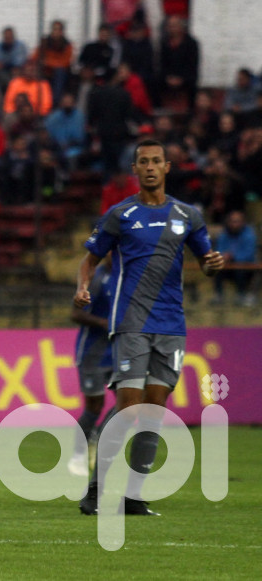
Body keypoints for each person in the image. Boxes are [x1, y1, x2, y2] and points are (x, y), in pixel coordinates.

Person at [75, 139, 224, 516]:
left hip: (171, 325)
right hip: (131, 324)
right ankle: (96, 490)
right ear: (136, 170)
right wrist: (81, 288)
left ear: (167, 167)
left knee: (155, 411)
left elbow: (205, 260)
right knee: (129, 409)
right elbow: (89, 259)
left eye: (157, 160)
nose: (151, 167)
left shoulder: (187, 215)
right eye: (144, 162)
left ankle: (134, 496)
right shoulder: (121, 214)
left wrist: (212, 264)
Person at [67, 253, 114, 477]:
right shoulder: (97, 279)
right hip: (92, 353)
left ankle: (100, 435)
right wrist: (104, 323)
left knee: (132, 400)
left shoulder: (129, 278)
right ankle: (78, 454)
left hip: (120, 351)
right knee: (94, 406)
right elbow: (75, 314)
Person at [212, 210, 257, 307]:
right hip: (227, 265)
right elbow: (219, 250)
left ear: (242, 222)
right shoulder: (224, 234)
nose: (234, 224)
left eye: (237, 221)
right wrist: (223, 256)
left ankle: (241, 295)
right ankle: (218, 295)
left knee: (240, 268)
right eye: (232, 221)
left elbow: (249, 254)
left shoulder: (249, 235)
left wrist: (233, 256)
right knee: (216, 268)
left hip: (245, 267)